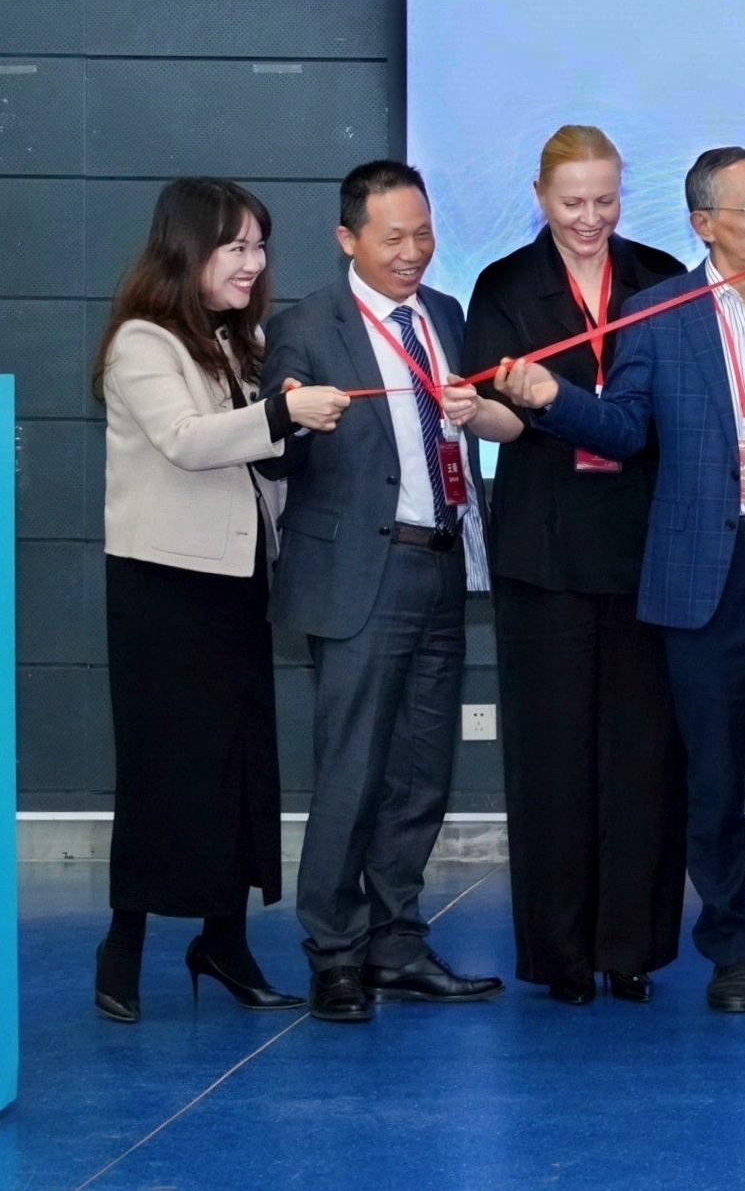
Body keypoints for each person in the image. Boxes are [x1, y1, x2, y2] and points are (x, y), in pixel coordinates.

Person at [499, 147, 745, 1013]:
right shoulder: (656, 315)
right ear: (703, 224)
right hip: (704, 573)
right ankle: (731, 948)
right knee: (714, 778)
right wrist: (552, 399)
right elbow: (624, 429)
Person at [261, 160, 522, 1022]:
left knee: (419, 770)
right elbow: (276, 448)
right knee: (353, 770)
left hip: (443, 562)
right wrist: (293, 415)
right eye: (393, 237)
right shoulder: (304, 325)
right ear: (348, 239)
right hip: (360, 576)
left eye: (424, 233)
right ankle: (334, 953)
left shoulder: (444, 314)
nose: (413, 251)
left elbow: (470, 423)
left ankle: (397, 942)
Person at [92, 178, 355, 1023]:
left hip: (238, 578)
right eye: (235, 246)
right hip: (163, 586)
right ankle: (123, 943)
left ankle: (224, 939)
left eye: (259, 245)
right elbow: (185, 439)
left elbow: (262, 454)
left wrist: (298, 421)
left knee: (238, 763)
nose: (253, 262)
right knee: (163, 766)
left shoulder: (243, 341)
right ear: (187, 250)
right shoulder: (142, 341)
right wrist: (283, 412)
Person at [464, 125, 691, 1006]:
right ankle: (560, 954)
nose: (590, 217)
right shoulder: (503, 285)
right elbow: (495, 416)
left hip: (643, 542)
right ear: (538, 195)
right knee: (551, 757)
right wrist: (497, 407)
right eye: (572, 202)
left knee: (644, 757)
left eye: (605, 200)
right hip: (546, 546)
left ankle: (631, 947)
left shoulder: (660, 277)